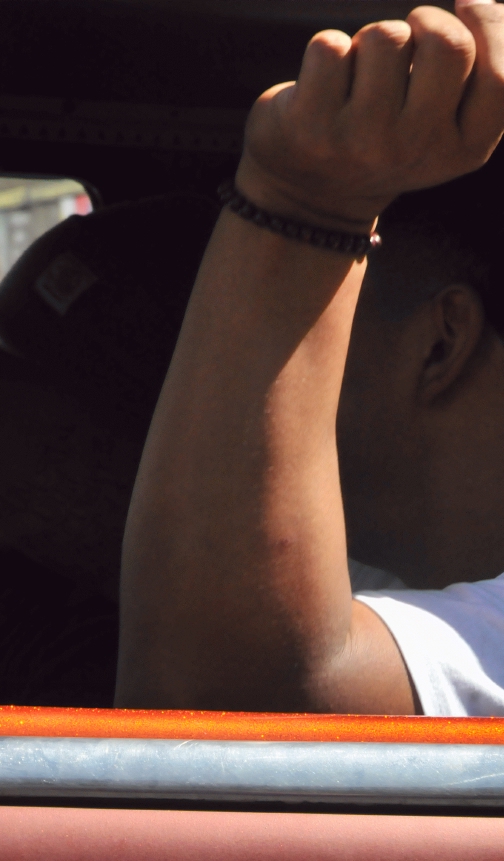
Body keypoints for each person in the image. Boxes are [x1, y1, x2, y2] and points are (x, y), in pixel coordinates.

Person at [118, 0, 504, 715]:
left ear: (442, 340)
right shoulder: (378, 568)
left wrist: (312, 208)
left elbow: (219, 700)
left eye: (330, 311)